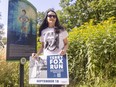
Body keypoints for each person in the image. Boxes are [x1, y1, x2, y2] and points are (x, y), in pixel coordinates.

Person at [32, 9, 68, 87]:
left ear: (56, 18)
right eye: (49, 16)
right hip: (46, 61)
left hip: (58, 61)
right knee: (46, 85)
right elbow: (42, 46)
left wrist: (64, 50)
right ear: (46, 18)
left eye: (54, 16)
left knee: (57, 85)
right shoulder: (43, 31)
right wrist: (37, 54)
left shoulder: (62, 30)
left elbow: (66, 43)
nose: (52, 17)